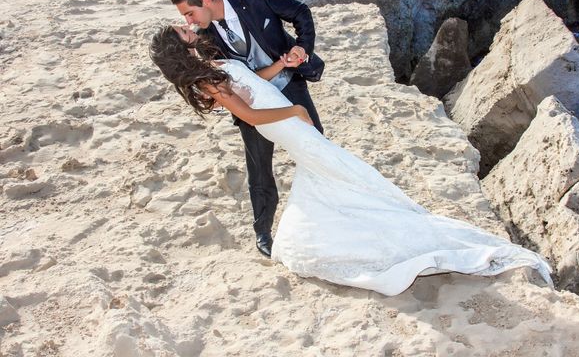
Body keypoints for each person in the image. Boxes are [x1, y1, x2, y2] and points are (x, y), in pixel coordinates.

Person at [149, 26, 553, 296]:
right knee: (348, 173)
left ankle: (299, 239)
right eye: (181, 30)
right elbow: (251, 117)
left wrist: (282, 69)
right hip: (284, 124)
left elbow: (257, 81)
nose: (189, 28)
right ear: (178, 47)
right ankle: (358, 238)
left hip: (288, 117)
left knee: (335, 178)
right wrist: (294, 112)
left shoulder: (213, 65)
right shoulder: (207, 80)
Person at [169, 0, 324, 257]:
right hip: (253, 104)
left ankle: (324, 214)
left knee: (317, 149)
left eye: (190, 12)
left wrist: (301, 48)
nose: (190, 21)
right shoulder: (202, 39)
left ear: (205, 0)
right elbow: (221, 85)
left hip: (290, 85)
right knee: (259, 167)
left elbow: (301, 12)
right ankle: (262, 231)